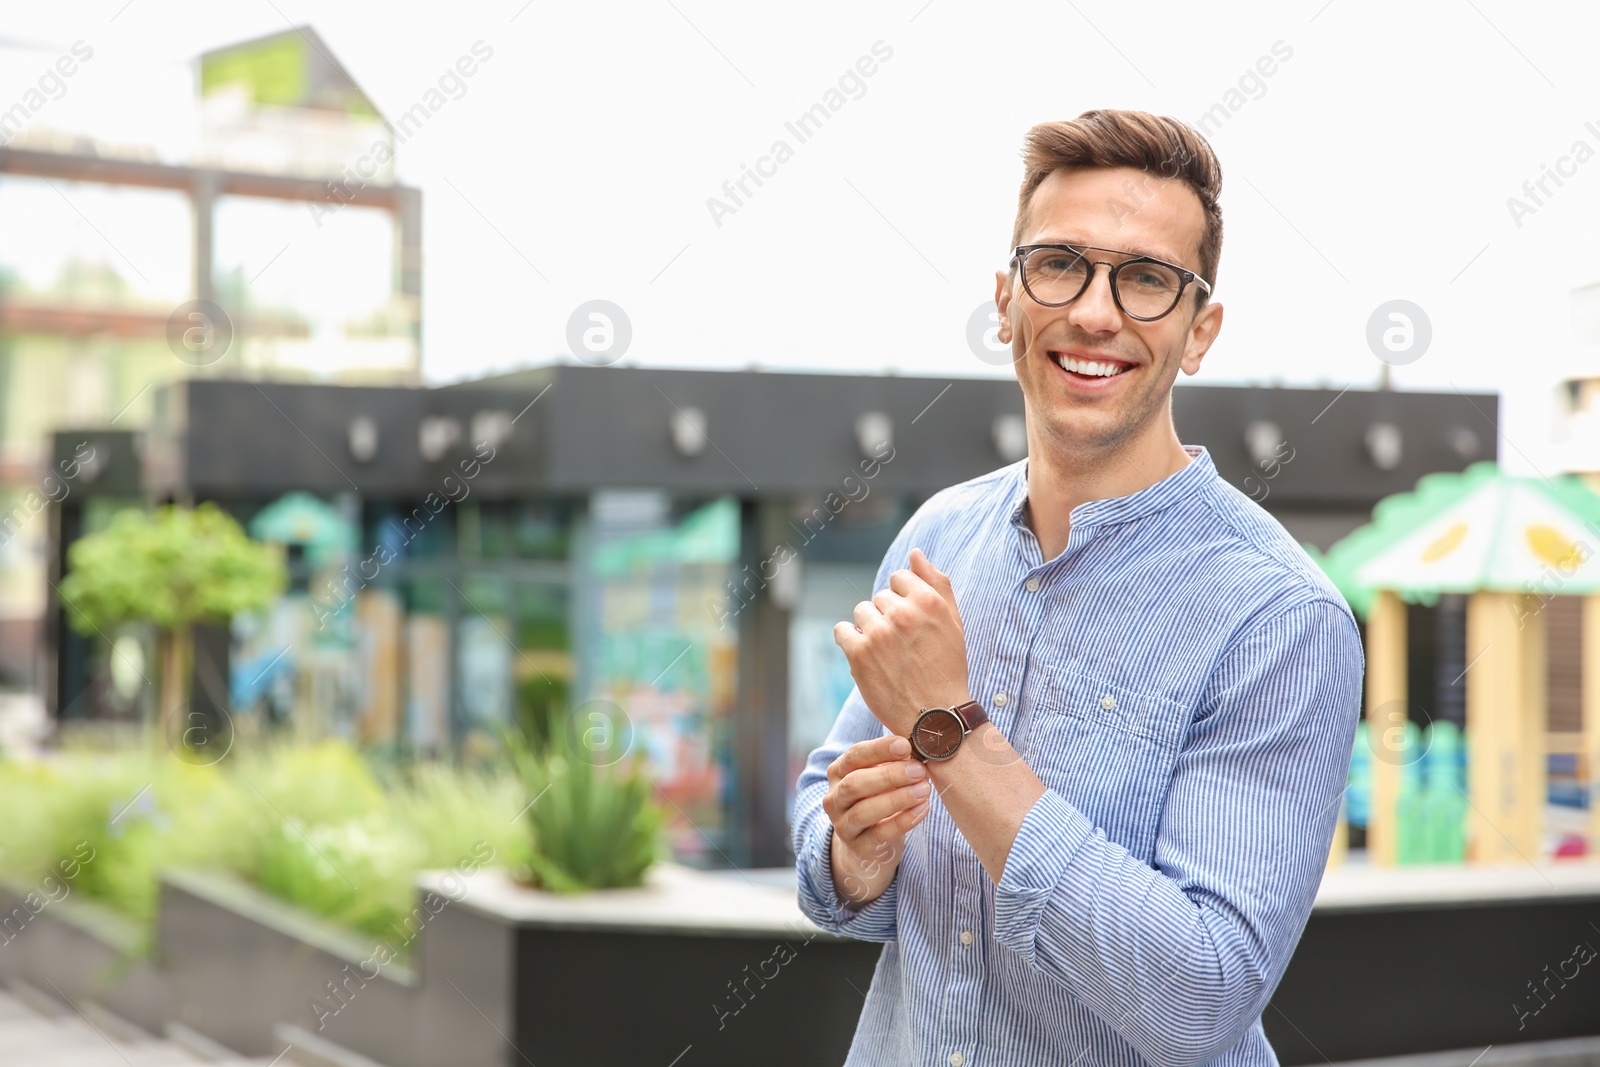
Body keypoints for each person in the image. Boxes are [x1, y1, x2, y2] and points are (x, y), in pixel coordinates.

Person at [791, 108, 1364, 1066]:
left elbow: (1199, 997)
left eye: (1146, 279)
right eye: (1060, 263)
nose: (1096, 312)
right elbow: (827, 826)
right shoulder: (939, 537)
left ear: (1199, 331)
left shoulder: (1280, 617)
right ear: (1007, 300)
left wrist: (952, 729)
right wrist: (855, 853)